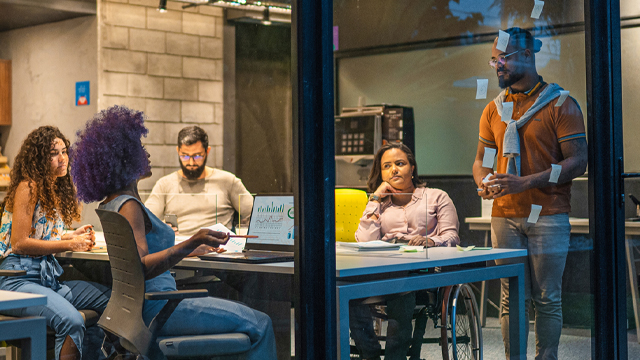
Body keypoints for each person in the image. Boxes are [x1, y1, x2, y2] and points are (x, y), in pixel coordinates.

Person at [70, 105, 276, 360]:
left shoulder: (112, 203)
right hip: (161, 307)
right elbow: (141, 267)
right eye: (139, 148)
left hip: (144, 309)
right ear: (125, 159)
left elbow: (144, 256)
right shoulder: (129, 206)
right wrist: (192, 241)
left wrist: (195, 247)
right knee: (261, 323)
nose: (146, 153)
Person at [472, 27, 588, 360]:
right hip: (504, 216)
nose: (497, 66)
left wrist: (525, 182)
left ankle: (546, 357)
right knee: (511, 297)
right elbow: (483, 160)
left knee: (547, 297)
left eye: (503, 58)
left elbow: (578, 161)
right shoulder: (494, 109)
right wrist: (482, 181)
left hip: (548, 214)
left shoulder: (561, 103)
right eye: (494, 60)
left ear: (527, 56)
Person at [0, 126, 110, 360]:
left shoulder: (52, 188)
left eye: (64, 151)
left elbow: (41, 235)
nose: (62, 158)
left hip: (47, 279)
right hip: (17, 280)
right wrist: (69, 245)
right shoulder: (28, 187)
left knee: (112, 301)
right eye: (53, 153)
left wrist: (70, 236)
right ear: (39, 159)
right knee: (71, 321)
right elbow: (20, 243)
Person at [350, 142, 460, 360]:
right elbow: (364, 240)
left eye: (400, 163)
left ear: (412, 167)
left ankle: (394, 357)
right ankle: (369, 354)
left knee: (401, 293)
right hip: (385, 269)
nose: (394, 170)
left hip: (423, 271)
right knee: (347, 294)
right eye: (386, 166)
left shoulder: (437, 196)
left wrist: (431, 241)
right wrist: (374, 199)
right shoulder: (378, 202)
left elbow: (452, 237)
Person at [144, 126, 253, 235]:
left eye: (197, 156)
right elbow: (145, 221)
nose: (191, 163)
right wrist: (161, 227)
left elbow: (256, 215)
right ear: (178, 151)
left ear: (207, 151)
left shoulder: (228, 181)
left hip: (217, 247)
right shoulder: (165, 184)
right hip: (180, 248)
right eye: (185, 156)